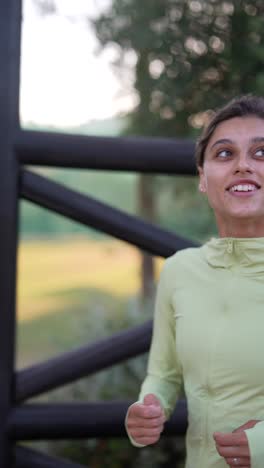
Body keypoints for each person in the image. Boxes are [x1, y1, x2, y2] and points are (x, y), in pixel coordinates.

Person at [125, 95, 264, 468]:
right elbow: (163, 373)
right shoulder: (179, 271)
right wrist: (148, 405)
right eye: (224, 154)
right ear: (203, 178)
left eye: (261, 153)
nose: (243, 166)